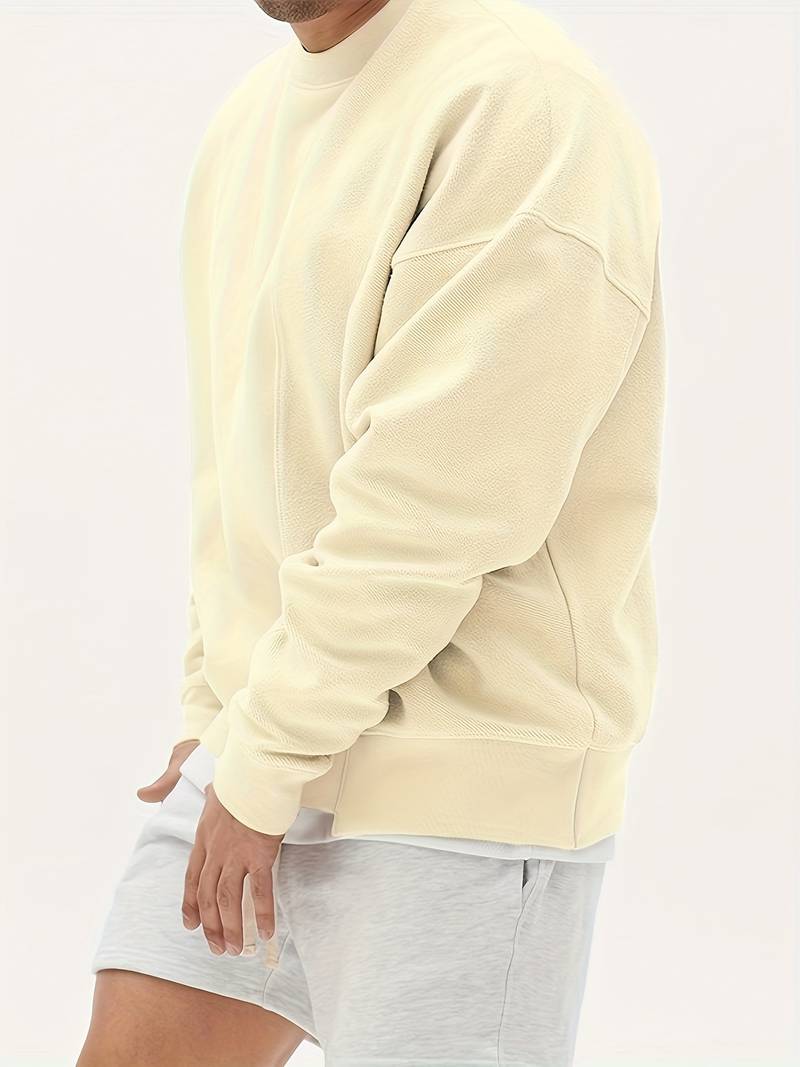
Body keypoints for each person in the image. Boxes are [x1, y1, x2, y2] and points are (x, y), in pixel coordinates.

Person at [78, 0, 666, 1064]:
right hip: (261, 753)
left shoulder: (520, 105)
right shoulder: (252, 118)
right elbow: (240, 462)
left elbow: (439, 500)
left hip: (458, 798)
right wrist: (218, 708)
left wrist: (264, 756)